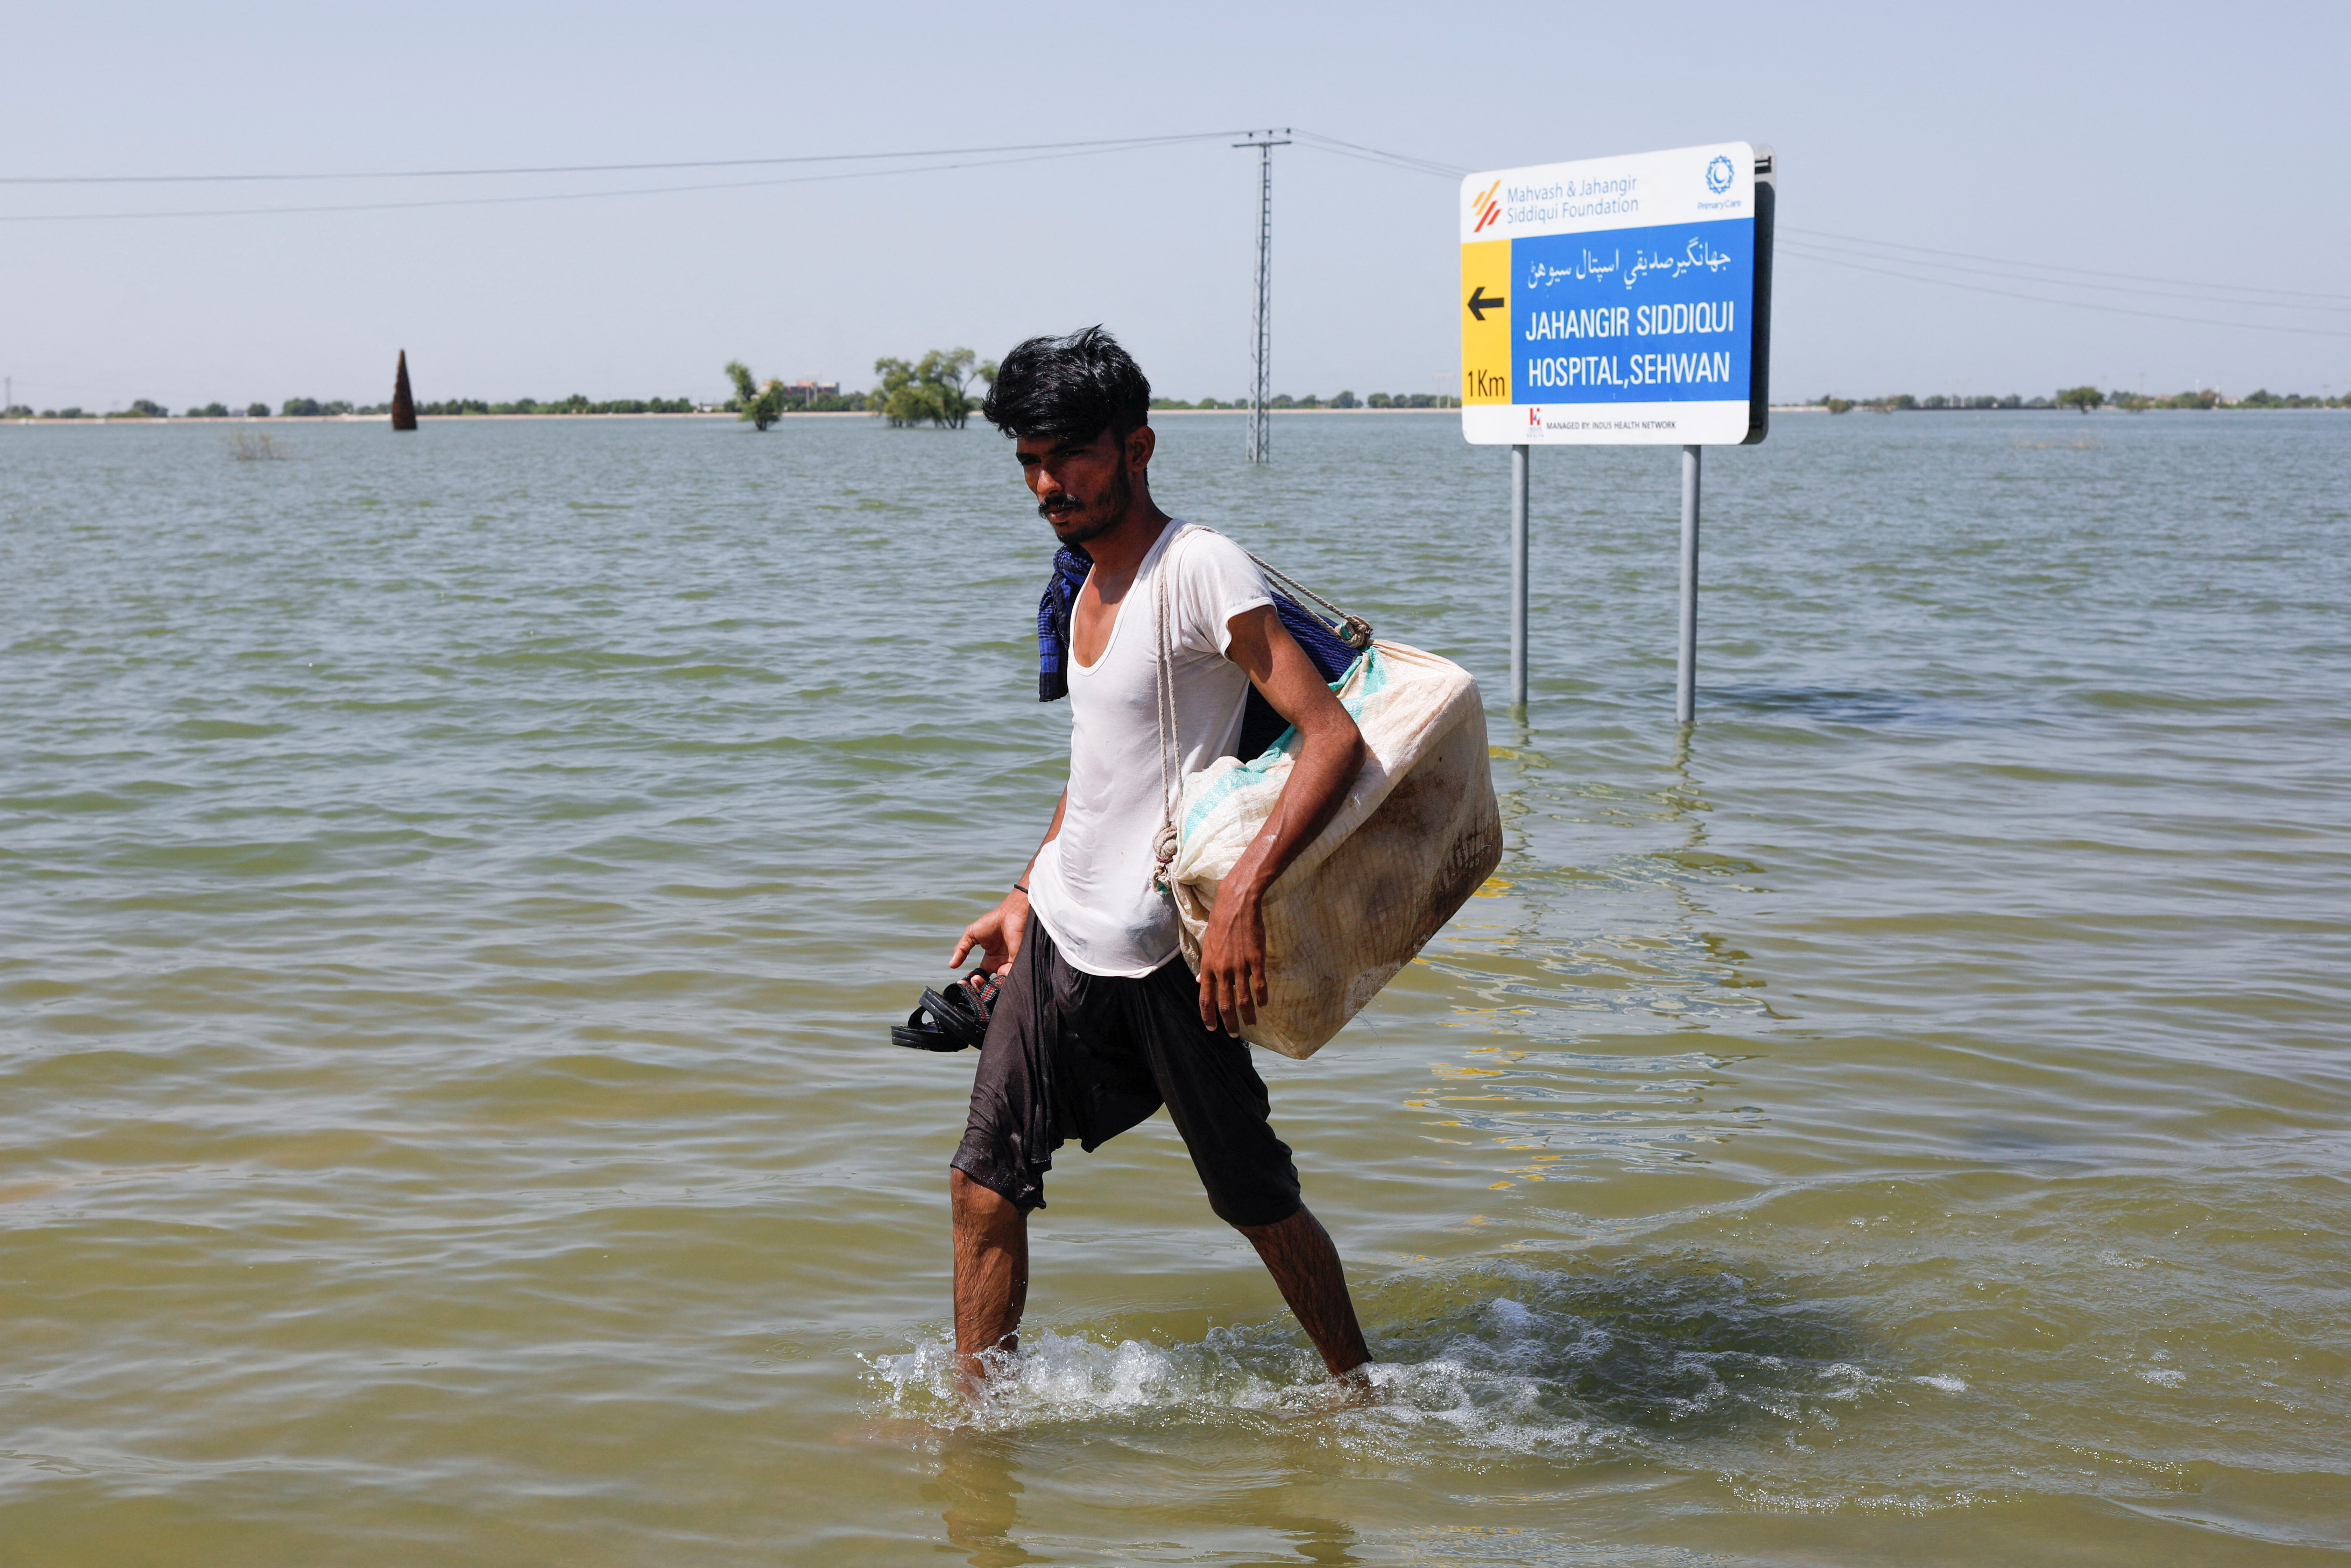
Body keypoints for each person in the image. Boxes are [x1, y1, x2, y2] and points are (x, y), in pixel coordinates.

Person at [944, 326, 1372, 1394]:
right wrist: (1019, 892)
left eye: (1069, 457)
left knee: (1254, 1198)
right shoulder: (1081, 577)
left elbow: (1332, 739)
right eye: (1030, 462)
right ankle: (975, 1422)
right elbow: (1100, 768)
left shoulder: (1199, 569)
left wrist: (1242, 903)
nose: (1048, 483)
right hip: (1060, 930)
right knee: (982, 1185)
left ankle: (1357, 1390)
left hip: (1169, 953)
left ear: (1139, 447)